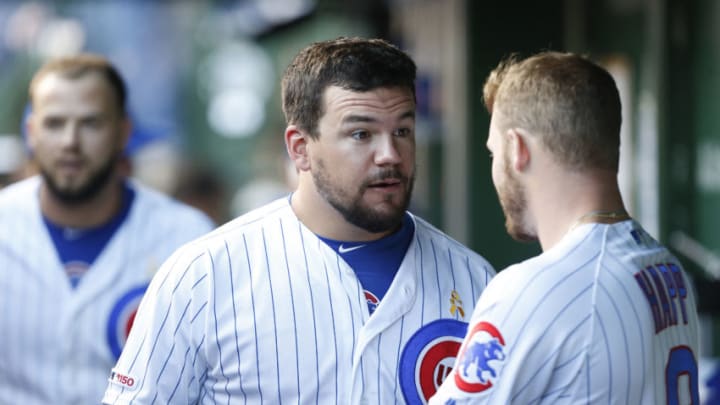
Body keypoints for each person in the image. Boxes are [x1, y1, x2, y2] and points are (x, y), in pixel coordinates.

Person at [102, 37, 496, 404]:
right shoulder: (205, 274)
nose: (389, 154)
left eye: (403, 131)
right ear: (300, 149)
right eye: (361, 134)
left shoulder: (475, 279)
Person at [430, 51, 700, 404]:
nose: (494, 168)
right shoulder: (666, 267)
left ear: (517, 149)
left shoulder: (534, 289)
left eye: (494, 153)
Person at [0, 54, 215, 405]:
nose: (71, 140)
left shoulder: (186, 235)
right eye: (54, 123)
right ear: (31, 132)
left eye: (91, 123)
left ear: (123, 132)